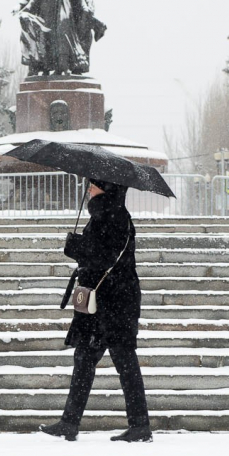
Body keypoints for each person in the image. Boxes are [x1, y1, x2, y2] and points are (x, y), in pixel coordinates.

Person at [39, 178, 152, 442]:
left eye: (94, 185)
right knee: (86, 359)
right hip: (105, 301)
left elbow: (103, 257)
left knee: (123, 360)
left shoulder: (112, 215)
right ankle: (71, 422)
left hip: (114, 302)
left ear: (108, 188)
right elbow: (99, 253)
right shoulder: (104, 213)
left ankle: (139, 426)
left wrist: (76, 248)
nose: (89, 189)